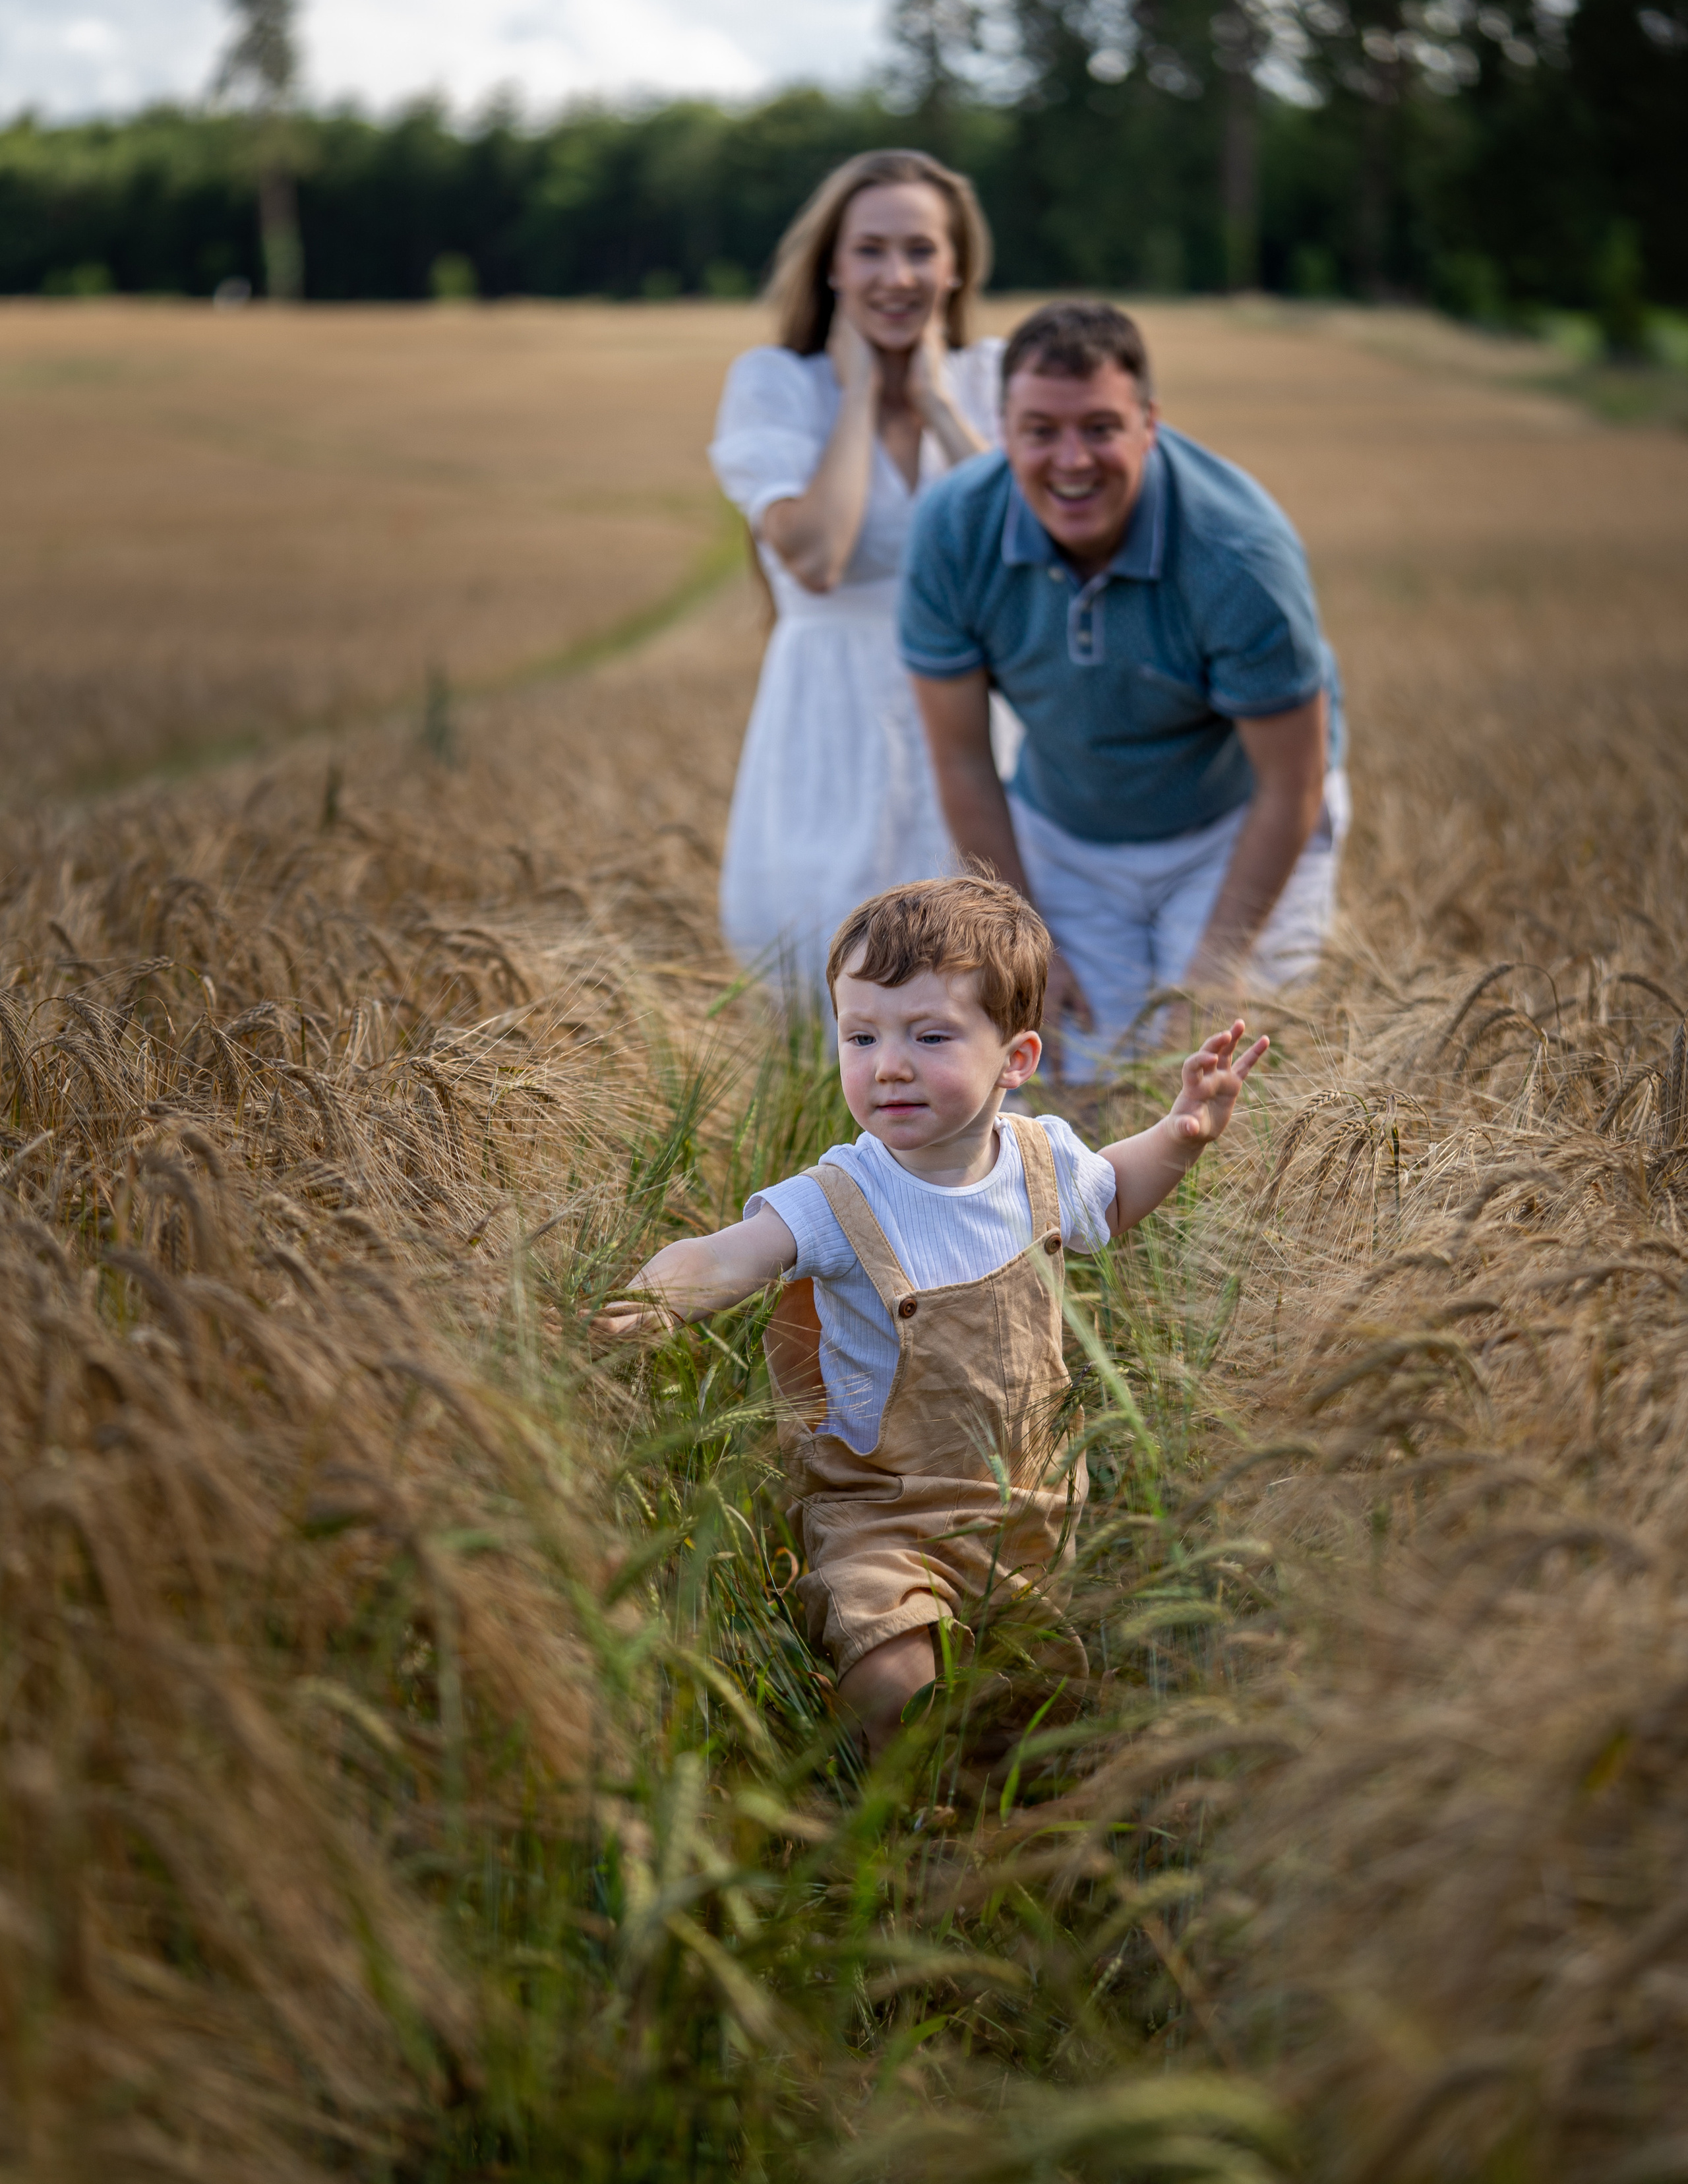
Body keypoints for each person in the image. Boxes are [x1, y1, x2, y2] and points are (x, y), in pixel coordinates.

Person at [597, 874, 1266, 1757]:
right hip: (879, 1514)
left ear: (1016, 1058)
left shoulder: (1042, 1162)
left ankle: (994, 1811)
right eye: (861, 1035)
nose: (890, 1065)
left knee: (1035, 1702)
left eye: (931, 1035)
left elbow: (1116, 1194)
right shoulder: (841, 1196)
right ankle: (900, 1811)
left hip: (1024, 1506)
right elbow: (731, 1252)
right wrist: (654, 1302)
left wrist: (1181, 1135)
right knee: (894, 1678)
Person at [899, 300, 1350, 1081]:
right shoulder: (951, 531)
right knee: (1072, 1076)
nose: (1072, 460)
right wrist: (1024, 942)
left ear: (1149, 424)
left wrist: (1216, 964)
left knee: (1222, 1074)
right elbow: (965, 764)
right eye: (1040, 430)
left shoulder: (1239, 553)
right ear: (1002, 429)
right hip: (1068, 825)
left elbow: (1292, 781)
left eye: (1101, 428)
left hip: (1235, 822)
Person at [707, 150, 1003, 1012]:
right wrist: (862, 393)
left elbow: (1033, 550)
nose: (897, 275)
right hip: (828, 723)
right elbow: (818, 555)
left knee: (984, 984)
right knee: (825, 981)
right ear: (832, 264)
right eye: (871, 250)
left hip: (981, 716)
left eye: (921, 250)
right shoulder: (776, 386)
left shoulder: (992, 378)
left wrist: (942, 406)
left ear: (956, 268)